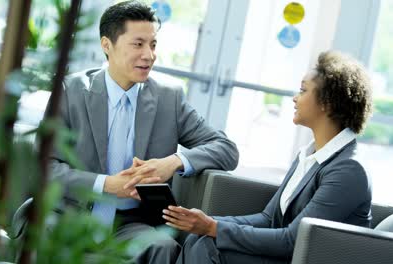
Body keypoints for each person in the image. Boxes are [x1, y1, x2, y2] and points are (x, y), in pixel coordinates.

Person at [47, 1, 238, 263]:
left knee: (163, 247)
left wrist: (173, 162)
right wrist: (108, 185)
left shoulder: (168, 100)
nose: (149, 55)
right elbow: (46, 168)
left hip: (129, 225)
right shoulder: (70, 92)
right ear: (107, 45)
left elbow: (226, 148)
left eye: (153, 44)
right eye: (138, 44)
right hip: (70, 213)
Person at [163, 50, 373, 264]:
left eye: (302, 91)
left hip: (304, 258)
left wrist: (213, 228)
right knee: (198, 238)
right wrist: (206, 223)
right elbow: (269, 219)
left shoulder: (348, 170)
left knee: (209, 245)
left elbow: (294, 240)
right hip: (288, 254)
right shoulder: (310, 155)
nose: (294, 98)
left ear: (327, 103)